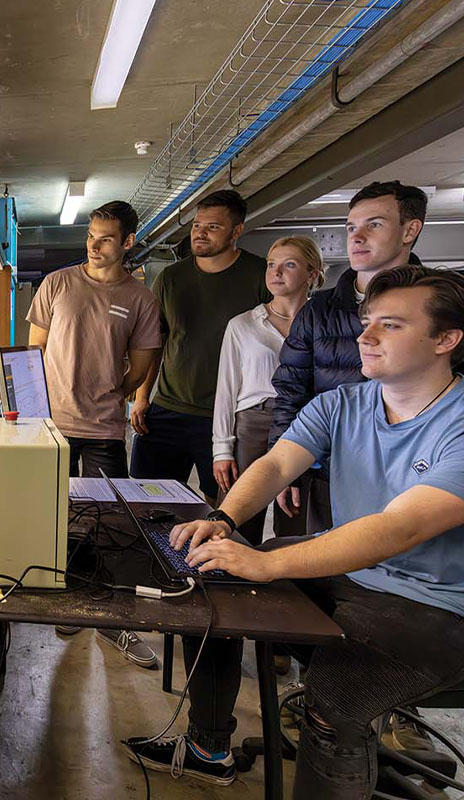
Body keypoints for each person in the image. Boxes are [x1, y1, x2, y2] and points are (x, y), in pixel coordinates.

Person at [124, 266, 464, 798]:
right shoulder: (342, 404)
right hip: (350, 572)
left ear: (446, 339)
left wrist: (267, 561)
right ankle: (208, 749)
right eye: (367, 321)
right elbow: (275, 466)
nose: (365, 337)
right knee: (212, 581)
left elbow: (400, 527)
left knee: (334, 698)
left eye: (390, 326)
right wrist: (223, 521)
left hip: (436, 603)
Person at [27, 200, 162, 668]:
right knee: (58, 515)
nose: (94, 245)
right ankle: (73, 599)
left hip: (104, 427)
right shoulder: (57, 284)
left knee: (107, 521)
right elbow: (35, 351)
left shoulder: (142, 299)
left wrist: (110, 394)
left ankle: (111, 618)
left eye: (106, 238)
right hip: (53, 424)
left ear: (127, 242)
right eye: (91, 236)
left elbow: (141, 365)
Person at [270, 181, 427, 536]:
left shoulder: (443, 307)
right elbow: (291, 388)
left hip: (415, 474)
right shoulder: (318, 310)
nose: (356, 237)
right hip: (333, 469)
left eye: (374, 225)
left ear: (410, 230)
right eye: (351, 227)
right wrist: (290, 464)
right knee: (326, 570)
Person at [129, 190, 268, 506]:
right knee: (146, 501)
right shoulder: (171, 278)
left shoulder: (259, 275)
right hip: (168, 407)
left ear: (237, 232)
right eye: (196, 226)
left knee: (221, 507)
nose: (200, 233)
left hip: (228, 417)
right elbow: (156, 342)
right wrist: (141, 398)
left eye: (213, 227)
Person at [212, 236, 324, 545]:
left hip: (306, 422)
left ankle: (291, 587)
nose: (276, 273)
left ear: (312, 274)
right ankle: (232, 582)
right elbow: (226, 390)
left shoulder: (322, 323)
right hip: (253, 423)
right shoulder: (243, 325)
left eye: (289, 265)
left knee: (296, 516)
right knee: (238, 516)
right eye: (271, 265)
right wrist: (222, 449)